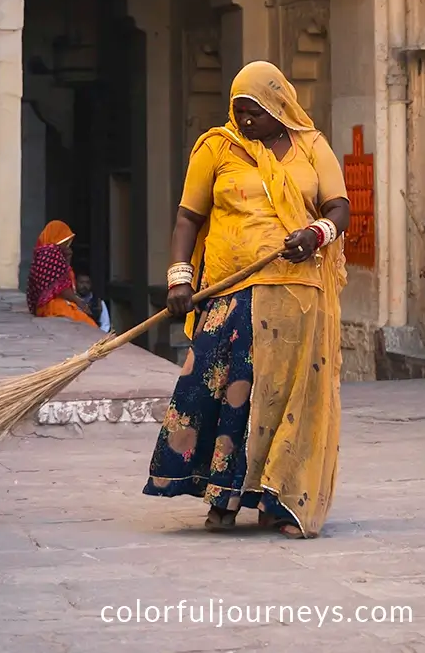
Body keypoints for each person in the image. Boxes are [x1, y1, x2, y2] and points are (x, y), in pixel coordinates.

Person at [143, 61, 350, 539]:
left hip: (297, 297)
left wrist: (316, 234)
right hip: (229, 293)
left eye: (253, 112)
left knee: (285, 399)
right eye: (238, 112)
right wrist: (179, 279)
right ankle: (222, 497)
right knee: (221, 393)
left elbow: (340, 207)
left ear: (279, 106)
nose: (245, 121)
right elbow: (187, 219)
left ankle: (279, 500)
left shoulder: (312, 147)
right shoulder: (218, 147)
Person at [25, 220, 97, 326]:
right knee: (89, 324)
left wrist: (67, 259)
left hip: (45, 306)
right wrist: (78, 301)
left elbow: (62, 277)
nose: (67, 244)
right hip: (52, 306)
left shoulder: (42, 253)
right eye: (66, 240)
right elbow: (61, 288)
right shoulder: (50, 253)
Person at [72, 265, 111, 333]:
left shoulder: (99, 302)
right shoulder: (71, 302)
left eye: (87, 283)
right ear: (75, 283)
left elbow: (105, 325)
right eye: (81, 282)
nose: (84, 286)